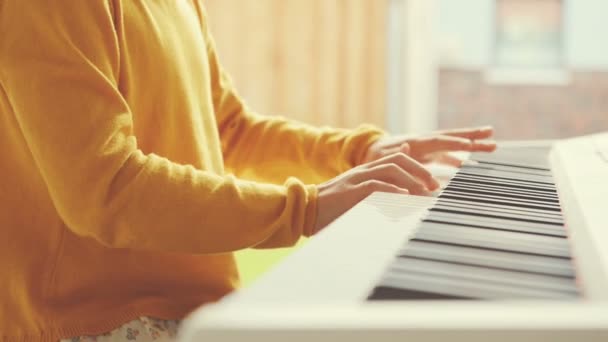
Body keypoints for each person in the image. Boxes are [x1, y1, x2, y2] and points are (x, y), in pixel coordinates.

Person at [0, 1, 496, 341]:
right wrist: (306, 209)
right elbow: (106, 190)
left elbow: (228, 129)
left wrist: (362, 151)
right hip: (89, 322)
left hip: (190, 308)